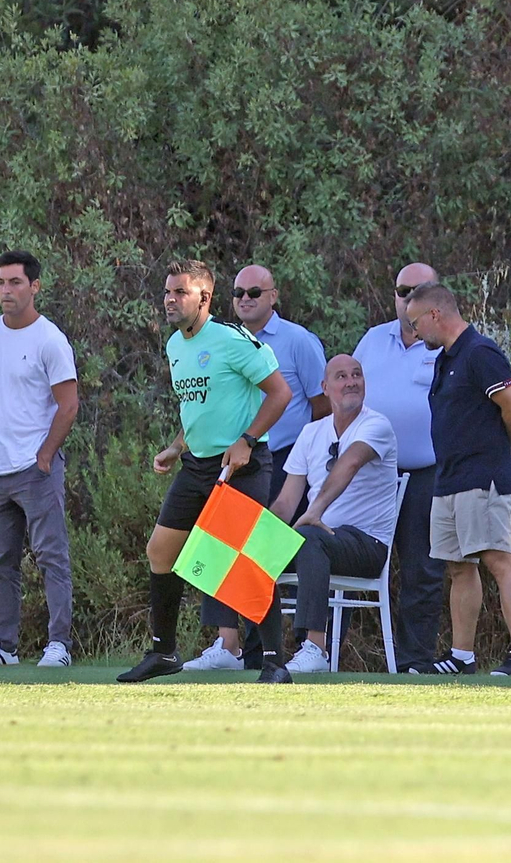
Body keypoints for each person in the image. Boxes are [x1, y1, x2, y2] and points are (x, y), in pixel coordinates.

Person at [117, 260, 295, 684]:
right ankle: (164, 652)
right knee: (161, 551)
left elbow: (280, 394)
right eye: (166, 292)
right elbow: (200, 406)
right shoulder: (177, 345)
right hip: (196, 465)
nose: (169, 300)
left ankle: (275, 663)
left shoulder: (233, 340)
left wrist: (246, 440)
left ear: (205, 298)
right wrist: (178, 446)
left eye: (179, 292)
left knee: (247, 564)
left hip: (242, 466)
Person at [186, 264, 328, 671]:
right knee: (219, 544)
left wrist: (305, 460)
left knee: (259, 554)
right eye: (238, 293)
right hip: (232, 458)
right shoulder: (227, 338)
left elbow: (320, 406)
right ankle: (226, 645)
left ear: (273, 296)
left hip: (283, 460)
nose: (245, 299)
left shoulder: (298, 341)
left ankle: (271, 652)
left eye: (254, 292)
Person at [0, 251, 80, 668]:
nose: (5, 291)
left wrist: (45, 455)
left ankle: (58, 645)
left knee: (51, 557)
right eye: (0, 283)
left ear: (34, 287)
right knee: (0, 563)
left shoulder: (49, 339)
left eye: (15, 283)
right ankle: (2, 647)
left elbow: (69, 404)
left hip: (35, 470)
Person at [402, 283, 511, 676]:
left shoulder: (480, 352)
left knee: (498, 559)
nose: (413, 333)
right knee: (459, 566)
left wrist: (501, 444)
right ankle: (462, 656)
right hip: (449, 478)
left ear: (435, 315)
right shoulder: (446, 357)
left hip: (482, 477)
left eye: (415, 324)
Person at [267, 355, 400, 673]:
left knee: (312, 538)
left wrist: (314, 513)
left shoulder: (375, 425)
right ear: (325, 388)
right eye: (341, 376)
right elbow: (286, 503)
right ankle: (232, 646)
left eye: (357, 374)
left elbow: (350, 463)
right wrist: (256, 535)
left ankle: (314, 648)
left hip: (366, 545)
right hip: (317, 540)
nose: (351, 381)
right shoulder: (311, 433)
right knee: (236, 540)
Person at [353, 263, 446, 673]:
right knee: (348, 558)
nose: (408, 297)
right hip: (371, 475)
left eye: (418, 290)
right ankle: (325, 653)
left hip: (427, 472)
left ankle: (415, 660)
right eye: (401, 290)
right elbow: (348, 394)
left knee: (422, 567)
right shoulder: (373, 340)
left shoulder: (447, 344)